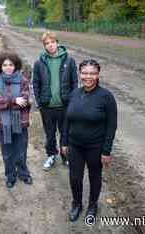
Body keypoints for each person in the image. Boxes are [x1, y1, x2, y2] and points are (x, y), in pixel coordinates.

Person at [62, 59, 117, 221]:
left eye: (92, 73)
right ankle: (77, 204)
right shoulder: (74, 94)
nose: (88, 76)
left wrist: (106, 151)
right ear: (80, 74)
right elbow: (67, 120)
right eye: (85, 73)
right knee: (75, 177)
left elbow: (111, 126)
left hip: (95, 147)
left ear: (98, 75)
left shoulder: (106, 97)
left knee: (95, 177)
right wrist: (64, 142)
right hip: (75, 146)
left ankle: (93, 205)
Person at [32, 31, 78, 170]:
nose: (50, 45)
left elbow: (74, 83)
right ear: (44, 46)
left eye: (52, 42)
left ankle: (66, 156)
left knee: (66, 133)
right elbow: (35, 83)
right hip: (47, 107)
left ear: (57, 42)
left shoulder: (69, 61)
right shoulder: (39, 63)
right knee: (50, 134)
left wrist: (73, 102)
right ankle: (51, 155)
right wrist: (39, 102)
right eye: (47, 43)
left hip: (64, 105)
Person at [0, 51, 33, 188]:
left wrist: (5, 101)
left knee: (21, 150)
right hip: (2, 124)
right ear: (0, 66)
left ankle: (23, 173)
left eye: (11, 64)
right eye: (5, 65)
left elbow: (25, 101)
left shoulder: (23, 81)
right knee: (7, 153)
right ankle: (10, 176)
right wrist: (13, 100)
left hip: (20, 122)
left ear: (16, 66)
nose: (8, 67)